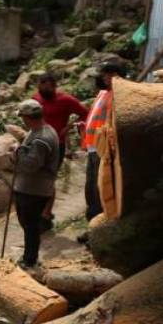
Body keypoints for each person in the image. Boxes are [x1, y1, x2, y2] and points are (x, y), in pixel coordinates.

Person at [32, 73, 89, 228]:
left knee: (48, 179)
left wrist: (69, 127)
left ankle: (46, 214)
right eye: (41, 87)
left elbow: (85, 112)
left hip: (57, 144)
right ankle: (40, 211)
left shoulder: (65, 100)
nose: (44, 90)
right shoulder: (36, 99)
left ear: (54, 87)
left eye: (48, 87)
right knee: (37, 179)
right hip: (38, 144)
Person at [12, 100, 60, 269]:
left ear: (26, 117)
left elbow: (31, 165)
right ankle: (29, 255)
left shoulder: (42, 138)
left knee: (30, 226)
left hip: (34, 189)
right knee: (29, 224)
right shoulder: (40, 131)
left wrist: (16, 152)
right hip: (29, 187)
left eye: (23, 117)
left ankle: (30, 259)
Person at [81, 62, 126, 226]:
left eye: (109, 74)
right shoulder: (102, 93)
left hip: (104, 149)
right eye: (105, 74)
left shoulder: (119, 95)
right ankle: (91, 224)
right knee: (91, 189)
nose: (105, 78)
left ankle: (100, 224)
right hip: (93, 148)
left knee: (101, 188)